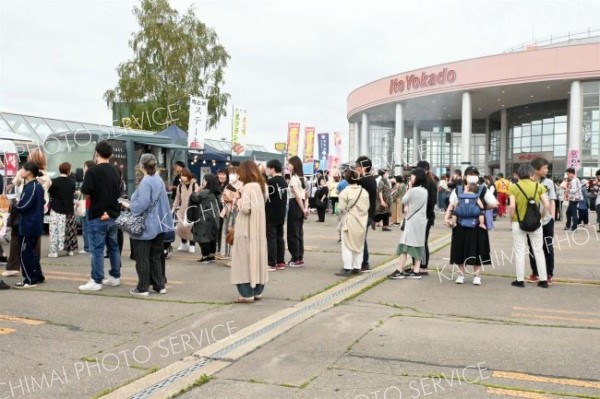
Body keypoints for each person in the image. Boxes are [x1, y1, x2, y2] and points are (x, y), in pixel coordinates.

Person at [120, 154, 173, 296]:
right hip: (159, 224)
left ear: (141, 165)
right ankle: (159, 285)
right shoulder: (159, 180)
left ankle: (143, 287)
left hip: (145, 225)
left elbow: (141, 204)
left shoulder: (146, 182)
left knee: (142, 257)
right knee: (156, 256)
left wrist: (128, 204)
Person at [78, 141, 122, 292]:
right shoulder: (116, 171)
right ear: (110, 154)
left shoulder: (92, 171)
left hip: (97, 214)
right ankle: (115, 277)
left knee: (97, 249)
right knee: (114, 247)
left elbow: (86, 191)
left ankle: (96, 280)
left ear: (96, 153)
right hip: (114, 215)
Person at [444, 166, 497, 285]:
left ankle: (477, 275)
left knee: (477, 250)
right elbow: (452, 205)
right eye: (470, 174)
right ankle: (461, 275)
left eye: (475, 174)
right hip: (460, 225)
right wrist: (447, 217)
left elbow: (494, 204)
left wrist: (480, 209)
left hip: (477, 226)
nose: (473, 176)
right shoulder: (458, 190)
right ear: (465, 176)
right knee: (459, 250)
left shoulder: (483, 190)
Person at [3, 150, 51, 278]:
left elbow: (27, 200)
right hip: (29, 209)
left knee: (29, 241)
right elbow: (14, 182)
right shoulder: (29, 177)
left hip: (30, 210)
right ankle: (20, 267)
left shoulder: (41, 179)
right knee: (17, 237)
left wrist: (15, 207)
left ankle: (31, 272)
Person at [230, 160, 268, 303]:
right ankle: (257, 290)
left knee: (243, 261)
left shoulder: (247, 188)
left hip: (246, 228)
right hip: (257, 230)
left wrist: (238, 200)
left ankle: (246, 293)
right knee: (256, 258)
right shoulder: (261, 186)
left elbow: (246, 209)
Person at [508, 164, 550, 288]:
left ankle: (520, 280)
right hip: (536, 223)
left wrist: (512, 220)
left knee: (519, 251)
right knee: (538, 251)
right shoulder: (539, 186)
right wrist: (541, 217)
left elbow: (512, 207)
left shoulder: (514, 187)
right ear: (531, 174)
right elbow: (546, 205)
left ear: (519, 175)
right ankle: (543, 280)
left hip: (518, 222)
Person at [388, 168, 429, 279]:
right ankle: (416, 270)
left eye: (413, 176)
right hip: (421, 221)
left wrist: (410, 187)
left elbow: (405, 200)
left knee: (405, 245)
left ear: (417, 177)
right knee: (418, 245)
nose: (411, 177)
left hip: (412, 221)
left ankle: (399, 270)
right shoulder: (425, 190)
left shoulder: (414, 190)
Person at [12, 162, 45, 288]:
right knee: (31, 252)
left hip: (29, 224)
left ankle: (29, 279)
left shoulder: (32, 187)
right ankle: (38, 275)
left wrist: (14, 206)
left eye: (23, 169)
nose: (20, 170)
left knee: (24, 252)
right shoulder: (37, 186)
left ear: (29, 172)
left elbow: (24, 205)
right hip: (34, 223)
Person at [526, 158, 556, 285]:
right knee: (533, 248)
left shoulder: (549, 182)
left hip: (547, 221)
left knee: (547, 247)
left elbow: (552, 200)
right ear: (536, 170)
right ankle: (536, 273)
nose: (547, 170)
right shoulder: (528, 182)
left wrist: (552, 217)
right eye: (545, 168)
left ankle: (548, 274)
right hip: (532, 221)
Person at [335, 169, 370, 276]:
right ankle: (357, 267)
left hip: (349, 221)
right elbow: (367, 207)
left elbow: (341, 208)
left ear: (347, 178)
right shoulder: (364, 192)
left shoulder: (344, 192)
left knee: (347, 245)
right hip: (362, 222)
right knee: (359, 245)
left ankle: (347, 267)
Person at [188, 174, 221, 263]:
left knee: (203, 238)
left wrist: (196, 190)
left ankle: (205, 256)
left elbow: (194, 198)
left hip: (203, 218)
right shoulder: (215, 192)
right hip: (213, 218)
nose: (203, 182)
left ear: (207, 182)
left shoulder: (205, 192)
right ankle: (211, 255)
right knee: (212, 237)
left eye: (204, 180)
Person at [48, 162, 78, 257]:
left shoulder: (54, 181)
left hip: (56, 208)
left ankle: (54, 251)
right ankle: (70, 250)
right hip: (69, 209)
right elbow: (72, 194)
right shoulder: (72, 182)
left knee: (54, 230)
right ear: (68, 170)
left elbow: (51, 195)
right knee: (69, 229)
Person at [413, 161, 438, 275]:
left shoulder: (430, 183)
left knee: (422, 242)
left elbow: (432, 202)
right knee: (415, 241)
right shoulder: (419, 183)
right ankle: (415, 265)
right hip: (417, 216)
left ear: (426, 170)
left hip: (426, 217)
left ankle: (423, 266)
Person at [355, 156, 378, 272]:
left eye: (357, 166)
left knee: (360, 238)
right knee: (361, 238)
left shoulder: (364, 180)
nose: (356, 169)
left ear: (363, 167)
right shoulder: (371, 179)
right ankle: (363, 262)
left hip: (364, 214)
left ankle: (364, 263)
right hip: (369, 213)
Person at [265, 159, 288, 272]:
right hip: (281, 213)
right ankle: (281, 261)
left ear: (272, 168)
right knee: (280, 238)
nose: (267, 170)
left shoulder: (270, 182)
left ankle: (271, 263)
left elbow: (264, 197)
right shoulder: (284, 181)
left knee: (271, 238)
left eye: (268, 168)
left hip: (271, 213)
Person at [217, 165, 243, 262]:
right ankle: (224, 252)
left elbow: (241, 198)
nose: (232, 175)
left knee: (234, 231)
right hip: (227, 210)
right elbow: (223, 197)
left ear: (239, 175)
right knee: (225, 230)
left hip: (236, 211)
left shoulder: (242, 185)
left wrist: (231, 199)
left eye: (234, 173)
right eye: (231, 173)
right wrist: (225, 199)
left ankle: (234, 254)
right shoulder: (228, 185)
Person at [286, 156, 309, 267]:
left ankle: (295, 258)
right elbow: (306, 196)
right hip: (301, 206)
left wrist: (302, 208)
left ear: (294, 165)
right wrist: (305, 209)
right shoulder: (303, 178)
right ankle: (299, 257)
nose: (287, 165)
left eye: (289, 163)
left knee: (292, 233)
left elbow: (297, 196)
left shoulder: (294, 179)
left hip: (295, 205)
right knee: (299, 233)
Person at [172, 169, 197, 253]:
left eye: (184, 175)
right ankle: (183, 243)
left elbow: (198, 197)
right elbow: (177, 199)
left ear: (188, 176)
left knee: (191, 227)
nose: (182, 177)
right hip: (182, 209)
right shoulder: (179, 186)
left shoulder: (194, 185)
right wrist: (173, 208)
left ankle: (192, 244)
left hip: (192, 209)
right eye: (181, 175)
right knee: (181, 227)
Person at [79, 160, 96, 254]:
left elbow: (86, 192)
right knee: (91, 227)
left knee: (86, 227)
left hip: (87, 205)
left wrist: (80, 192)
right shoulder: (96, 176)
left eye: (85, 166)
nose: (83, 168)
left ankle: (87, 247)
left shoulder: (88, 177)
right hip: (91, 205)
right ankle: (90, 246)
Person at [215, 168, 229, 258]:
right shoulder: (215, 185)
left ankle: (225, 250)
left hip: (226, 211)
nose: (221, 176)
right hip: (216, 210)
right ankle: (219, 249)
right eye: (220, 174)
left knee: (225, 230)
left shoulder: (229, 186)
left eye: (224, 174)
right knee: (218, 230)